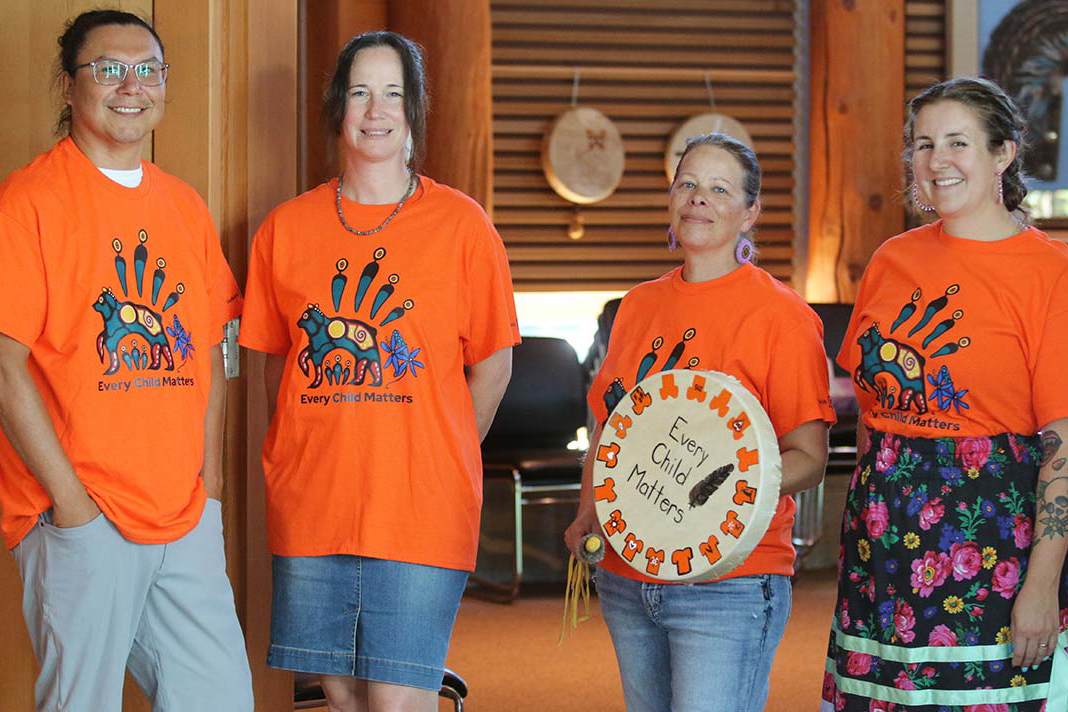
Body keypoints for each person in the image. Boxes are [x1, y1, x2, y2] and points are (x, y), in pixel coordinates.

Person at [239, 31, 518, 712]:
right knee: (340, 696)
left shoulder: (461, 225)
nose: (375, 109)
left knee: (397, 701)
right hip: (313, 504)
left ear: (413, 110)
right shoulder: (285, 229)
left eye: (393, 93)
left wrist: (439, 451)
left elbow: (494, 366)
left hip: (421, 505)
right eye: (361, 91)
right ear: (338, 105)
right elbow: (279, 370)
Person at [0, 10, 252, 711]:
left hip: (183, 515)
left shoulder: (184, 206)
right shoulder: (29, 203)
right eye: (108, 68)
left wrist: (209, 493)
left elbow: (210, 350)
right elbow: (3, 364)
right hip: (80, 516)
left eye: (147, 69)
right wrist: (72, 507)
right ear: (67, 85)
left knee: (220, 699)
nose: (130, 85)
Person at [821, 77, 1068, 711]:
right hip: (882, 532)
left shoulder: (1050, 272)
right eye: (924, 144)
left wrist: (1042, 582)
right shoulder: (890, 259)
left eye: (958, 142)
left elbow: (1064, 445)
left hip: (987, 536)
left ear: (1003, 154)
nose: (937, 161)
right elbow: (874, 414)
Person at [566, 132, 835, 712]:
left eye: (719, 188)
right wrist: (589, 509)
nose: (698, 199)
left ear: (750, 212)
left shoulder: (782, 316)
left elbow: (810, 458)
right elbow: (611, 428)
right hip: (628, 571)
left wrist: (715, 493)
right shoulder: (636, 307)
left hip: (730, 580)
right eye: (687, 184)